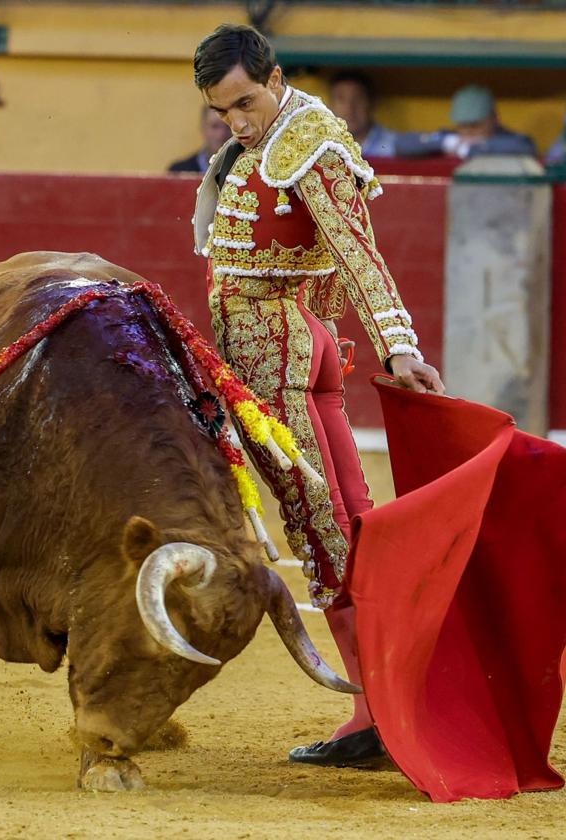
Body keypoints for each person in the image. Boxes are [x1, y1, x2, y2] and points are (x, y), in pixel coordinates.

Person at [190, 24, 444, 769]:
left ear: (273, 78)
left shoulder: (307, 141)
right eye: (222, 111)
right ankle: (390, 702)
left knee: (323, 531)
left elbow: (357, 252)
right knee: (349, 525)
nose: (237, 122)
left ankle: (376, 715)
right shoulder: (277, 139)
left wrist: (401, 345)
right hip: (294, 341)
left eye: (243, 103)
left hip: (279, 350)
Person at [395, 84, 537, 159]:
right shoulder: (451, 139)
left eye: (475, 125)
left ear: (494, 119)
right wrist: (445, 143)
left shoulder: (509, 140)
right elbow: (402, 144)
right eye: (463, 126)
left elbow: (526, 147)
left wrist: (472, 150)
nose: (468, 131)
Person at [327, 70, 398, 158]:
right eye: (341, 99)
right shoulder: (321, 146)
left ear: (371, 103)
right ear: (330, 105)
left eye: (358, 98)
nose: (349, 108)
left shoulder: (395, 146)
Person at [169, 105, 234, 173]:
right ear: (203, 128)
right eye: (214, 126)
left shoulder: (244, 171)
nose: (221, 134)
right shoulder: (178, 172)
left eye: (228, 126)